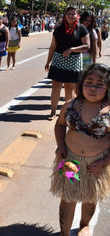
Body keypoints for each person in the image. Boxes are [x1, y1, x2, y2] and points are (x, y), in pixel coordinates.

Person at [50, 63, 110, 236]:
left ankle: (85, 225)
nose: (93, 88)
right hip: (70, 161)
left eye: (100, 84)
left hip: (97, 164)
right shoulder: (70, 105)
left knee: (90, 197)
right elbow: (60, 125)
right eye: (88, 82)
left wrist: (106, 162)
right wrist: (60, 145)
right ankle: (64, 232)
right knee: (68, 198)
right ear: (81, 84)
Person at [45, 7, 90, 120]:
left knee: (69, 87)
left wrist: (72, 49)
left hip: (73, 61)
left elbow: (87, 46)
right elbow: (53, 46)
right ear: (65, 15)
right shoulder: (59, 29)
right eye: (68, 14)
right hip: (58, 60)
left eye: (73, 14)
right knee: (56, 86)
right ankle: (53, 112)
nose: (70, 16)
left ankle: (67, 112)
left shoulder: (82, 29)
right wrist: (48, 61)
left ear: (77, 15)